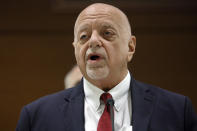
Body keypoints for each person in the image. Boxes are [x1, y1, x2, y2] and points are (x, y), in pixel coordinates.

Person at [16, 3, 197, 131]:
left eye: (107, 33)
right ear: (75, 49)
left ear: (130, 47)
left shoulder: (177, 110)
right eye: (84, 37)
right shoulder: (36, 116)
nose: (94, 41)